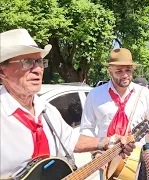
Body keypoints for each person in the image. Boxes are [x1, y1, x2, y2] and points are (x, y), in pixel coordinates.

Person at [0, 29, 135, 178]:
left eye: (39, 61)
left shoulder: (47, 111)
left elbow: (72, 140)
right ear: (2, 72)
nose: (38, 69)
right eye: (27, 62)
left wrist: (109, 141)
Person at [80, 48, 149, 178]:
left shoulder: (144, 94)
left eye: (128, 70)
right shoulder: (95, 95)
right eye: (119, 71)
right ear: (110, 71)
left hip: (136, 164)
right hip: (106, 163)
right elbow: (87, 128)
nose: (125, 75)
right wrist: (96, 154)